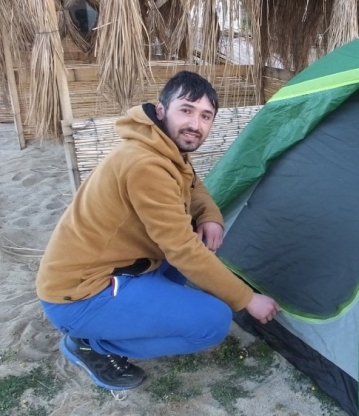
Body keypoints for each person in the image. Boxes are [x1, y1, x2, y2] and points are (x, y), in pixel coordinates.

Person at [36, 71, 280, 391]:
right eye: (187, 110)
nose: (195, 124)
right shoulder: (145, 163)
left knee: (193, 236)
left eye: (206, 116)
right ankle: (90, 345)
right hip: (80, 294)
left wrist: (210, 216)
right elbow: (181, 250)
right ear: (161, 109)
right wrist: (247, 298)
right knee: (213, 323)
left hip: (116, 268)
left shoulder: (165, 147)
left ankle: (128, 311)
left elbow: (192, 184)